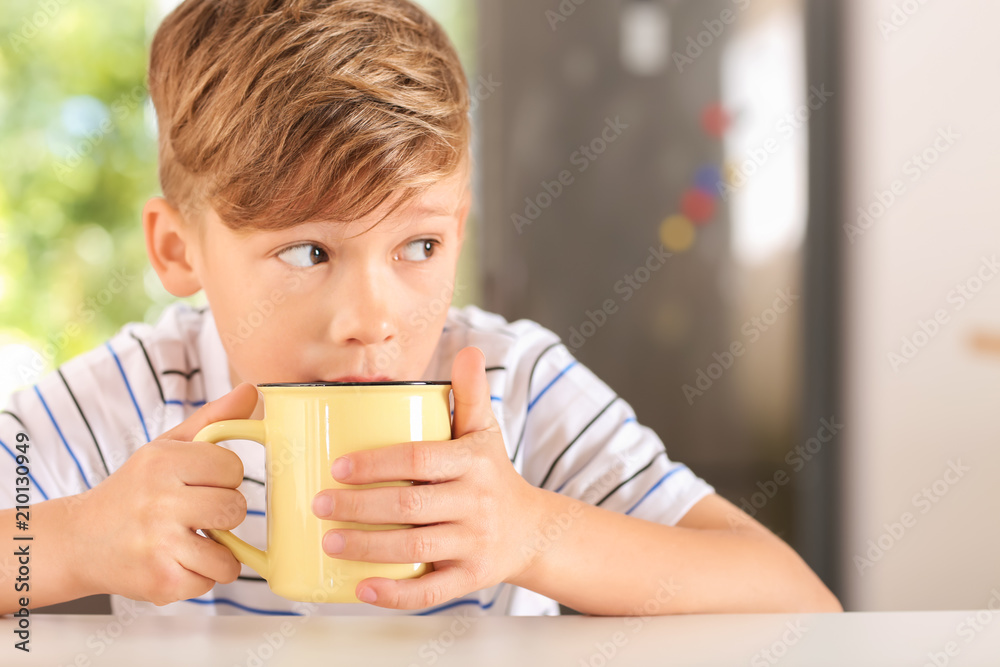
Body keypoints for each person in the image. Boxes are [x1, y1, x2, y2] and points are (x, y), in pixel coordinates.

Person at [0, 0, 841, 618]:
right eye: (308, 252)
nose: (374, 317)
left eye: (418, 247)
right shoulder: (140, 394)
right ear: (179, 249)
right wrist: (71, 541)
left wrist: (535, 533)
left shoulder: (517, 387)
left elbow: (797, 604)